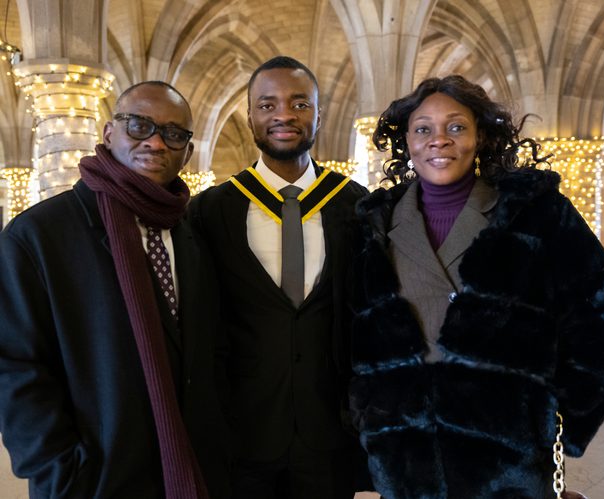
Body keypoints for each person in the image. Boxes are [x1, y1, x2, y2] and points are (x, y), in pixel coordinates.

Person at [349, 75, 604, 499]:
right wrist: (369, 417)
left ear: (480, 137)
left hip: (507, 465)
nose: (439, 140)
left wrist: (559, 414)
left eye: (456, 126)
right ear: (407, 142)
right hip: (406, 460)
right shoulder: (375, 225)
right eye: (423, 129)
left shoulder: (534, 213)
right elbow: (358, 337)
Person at [0, 81, 230, 498]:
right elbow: (15, 368)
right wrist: (62, 471)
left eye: (174, 134)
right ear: (108, 134)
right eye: (139, 125)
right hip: (96, 478)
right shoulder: (38, 235)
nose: (156, 142)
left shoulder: (191, 232)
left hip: (190, 470)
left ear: (188, 152)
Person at [190, 56, 369, 498]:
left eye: (299, 103)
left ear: (318, 115)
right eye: (267, 105)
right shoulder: (210, 212)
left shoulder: (357, 207)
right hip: (242, 434)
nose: (284, 115)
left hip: (331, 435)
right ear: (249, 115)